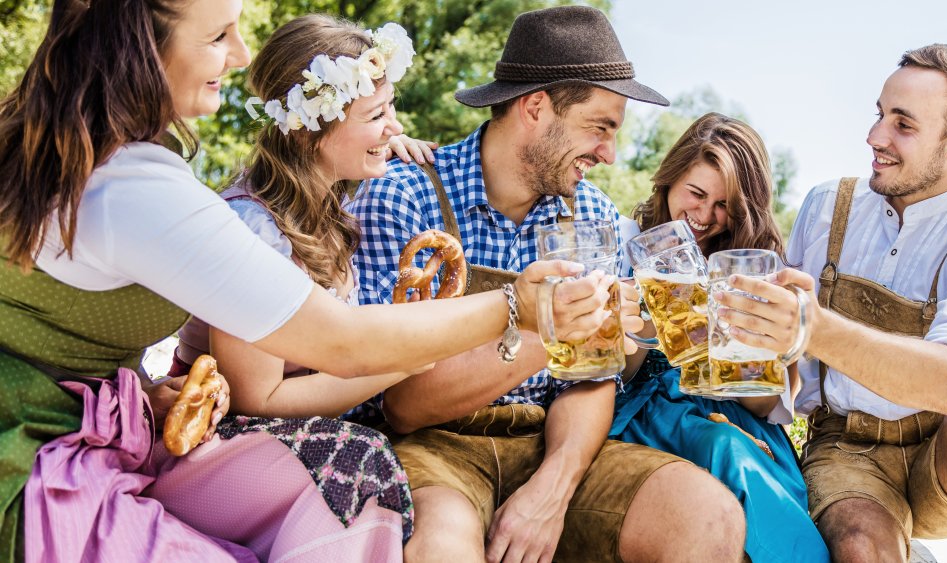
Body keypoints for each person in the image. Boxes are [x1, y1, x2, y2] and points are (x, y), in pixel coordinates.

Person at [0, 1, 610, 561]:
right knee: (358, 463)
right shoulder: (159, 195)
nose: (240, 55)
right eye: (217, 36)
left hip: (114, 422)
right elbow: (336, 346)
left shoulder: (120, 162)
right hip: (39, 455)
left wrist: (378, 139)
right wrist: (518, 306)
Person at [350, 6, 746, 562]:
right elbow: (403, 406)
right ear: (535, 107)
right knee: (443, 546)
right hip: (433, 450)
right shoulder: (405, 196)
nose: (609, 153)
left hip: (549, 442)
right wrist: (552, 324)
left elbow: (588, 380)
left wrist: (552, 491)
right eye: (599, 127)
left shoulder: (594, 216)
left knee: (707, 516)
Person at [718, 44, 947, 561]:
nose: (875, 138)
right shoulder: (829, 206)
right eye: (879, 115)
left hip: (943, 457)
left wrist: (815, 328)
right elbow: (780, 371)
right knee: (859, 545)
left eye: (903, 125)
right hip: (846, 448)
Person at [610, 112, 830, 562]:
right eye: (696, 193)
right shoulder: (626, 240)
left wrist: (734, 354)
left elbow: (766, 404)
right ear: (671, 178)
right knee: (722, 449)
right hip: (643, 410)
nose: (703, 216)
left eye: (723, 205)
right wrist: (651, 321)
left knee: (737, 452)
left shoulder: (753, 269)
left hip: (729, 414)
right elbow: (621, 373)